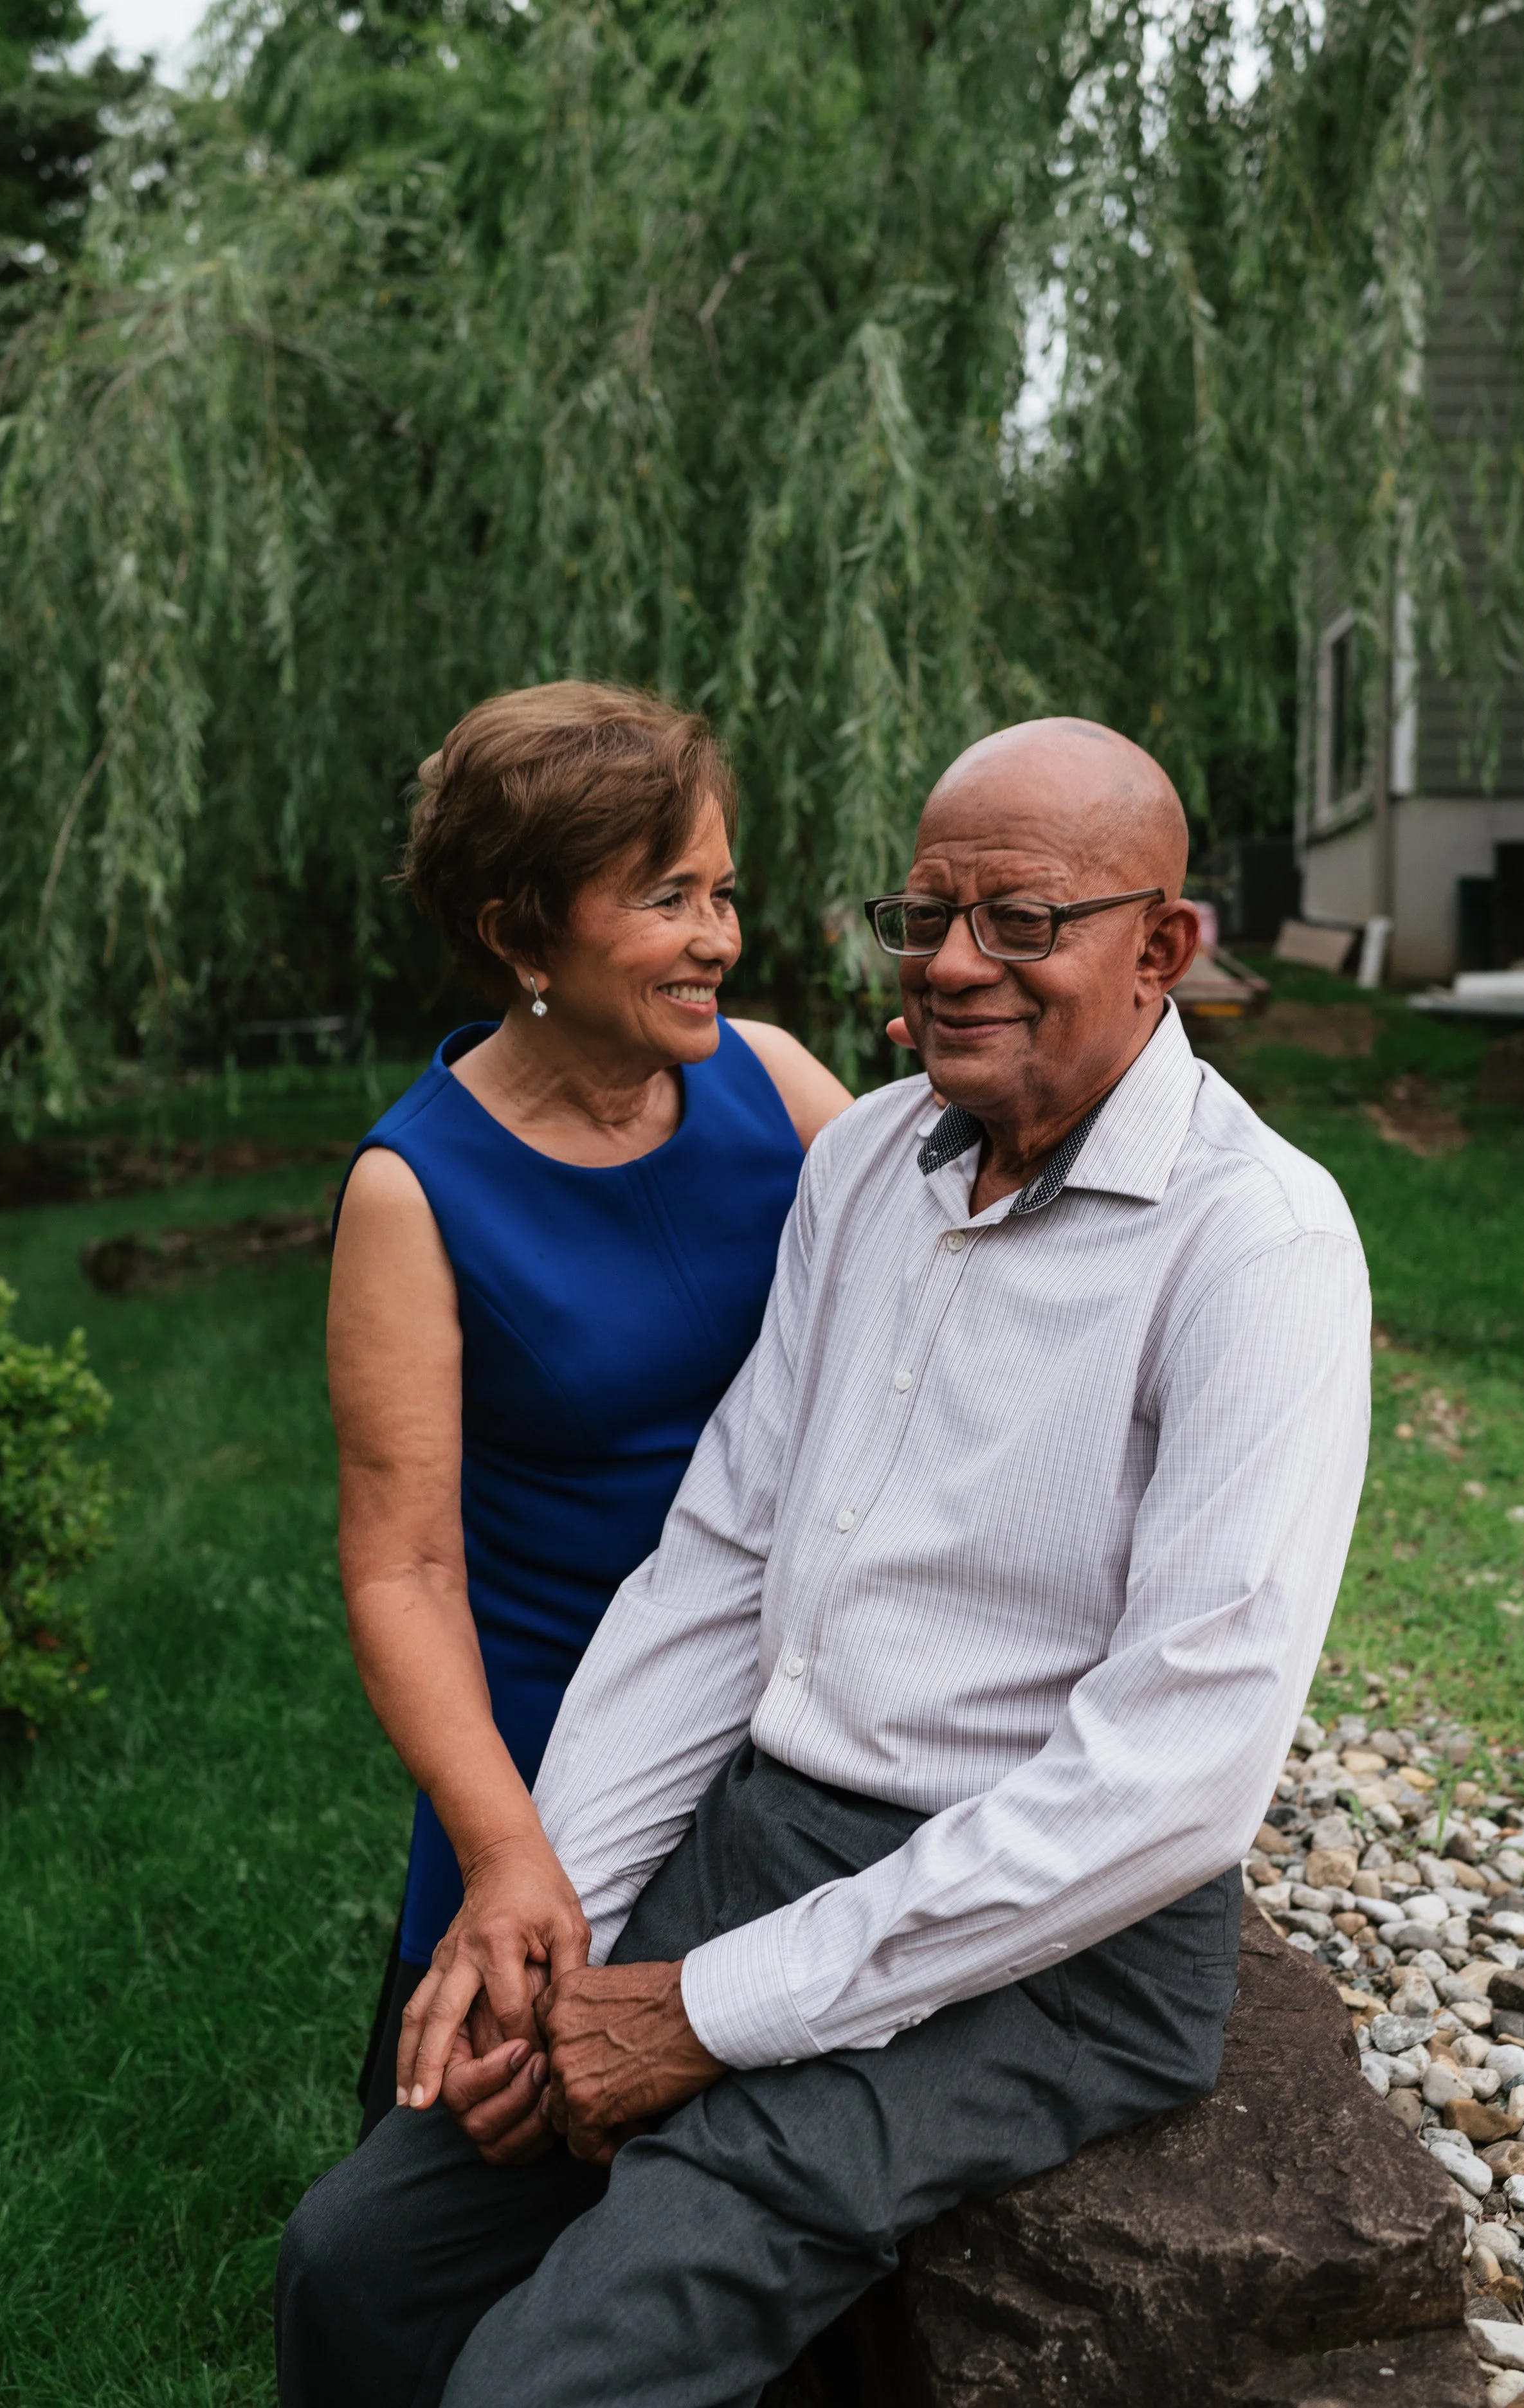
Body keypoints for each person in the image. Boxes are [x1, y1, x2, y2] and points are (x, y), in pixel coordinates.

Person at [278, 716, 1371, 2408]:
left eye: (1018, 923)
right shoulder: (864, 1160)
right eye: (922, 914)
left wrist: (704, 2012)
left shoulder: (1258, 1244)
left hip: (1059, 1936)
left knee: (547, 2378)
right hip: (766, 1830)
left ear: (1162, 951)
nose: (948, 964)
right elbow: (717, 1570)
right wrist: (559, 1905)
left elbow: (1176, 1780)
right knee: (351, 2264)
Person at [329, 681, 849, 2135]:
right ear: (516, 933)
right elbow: (403, 1568)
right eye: (663, 896)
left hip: (782, 1701)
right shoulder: (412, 1191)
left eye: (722, 891)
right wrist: (505, 1848)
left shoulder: (782, 1086)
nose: (719, 939)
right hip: (552, 1743)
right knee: (460, 2146)